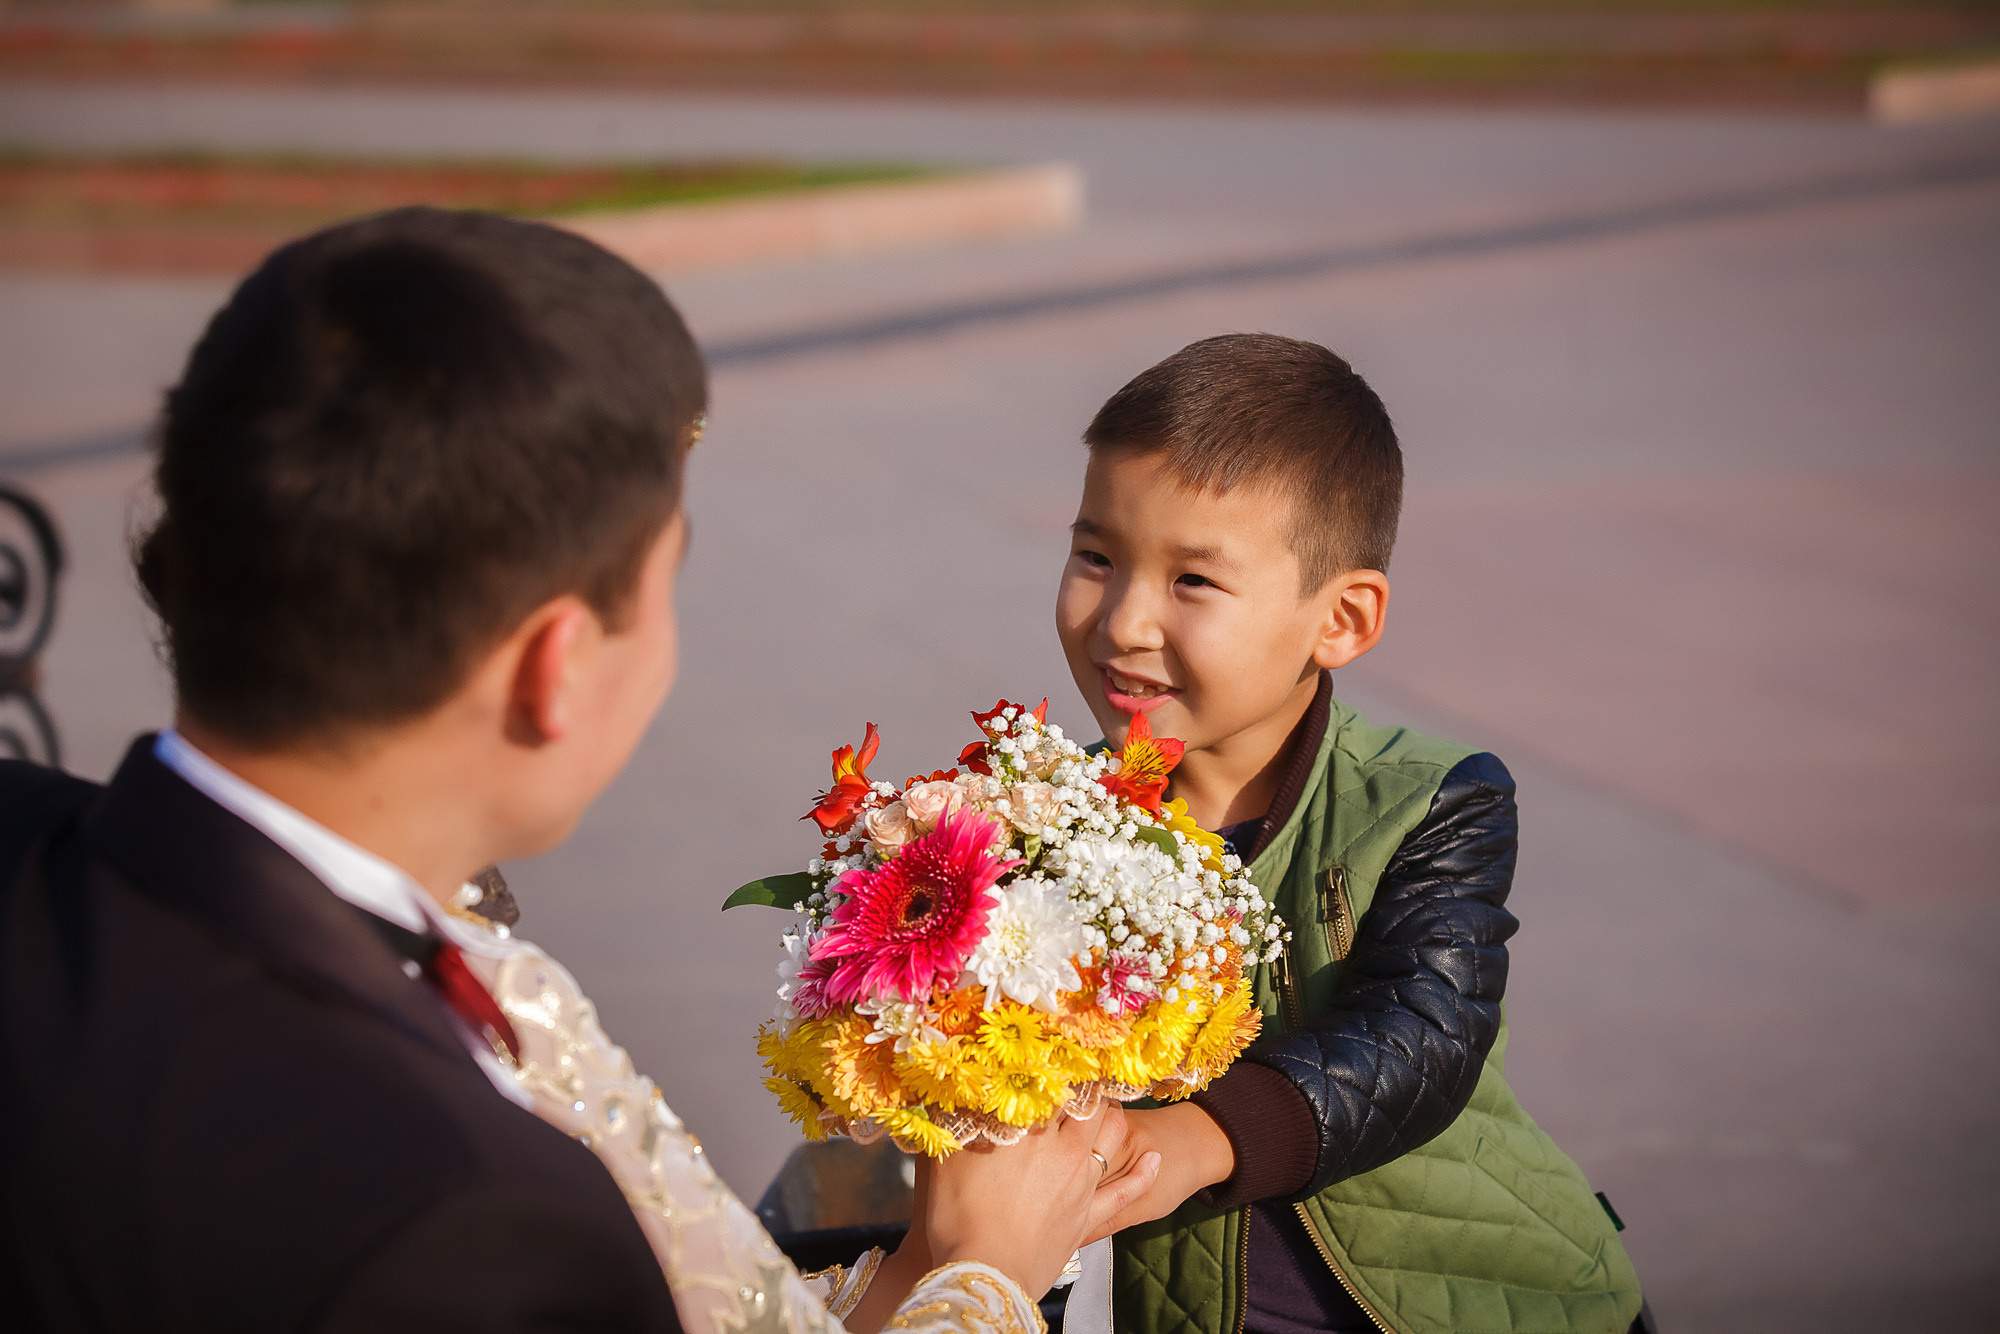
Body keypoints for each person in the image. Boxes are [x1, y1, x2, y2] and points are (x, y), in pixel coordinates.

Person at [0, 207, 1157, 1333]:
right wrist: (987, 1273)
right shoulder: (467, 1226)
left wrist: (913, 1271)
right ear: (553, 664)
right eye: (663, 589)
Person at [1057, 335, 1647, 1334]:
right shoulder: (1045, 816)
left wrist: (1202, 1134)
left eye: (1190, 581)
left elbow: (1424, 1029)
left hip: (1469, 1294)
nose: (1121, 621)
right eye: (1095, 556)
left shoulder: (1429, 801)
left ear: (1340, 618)